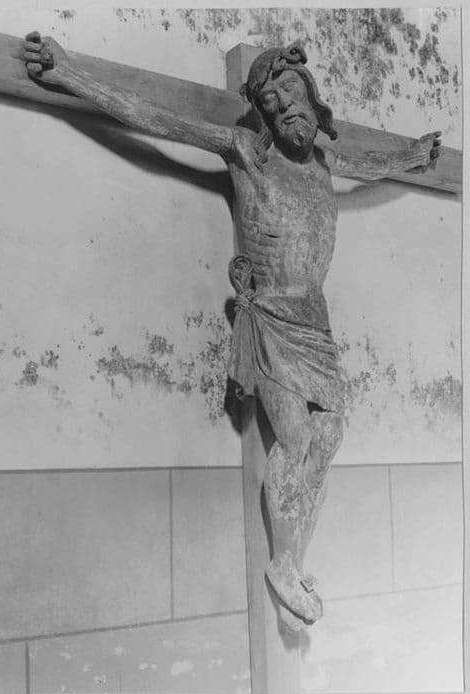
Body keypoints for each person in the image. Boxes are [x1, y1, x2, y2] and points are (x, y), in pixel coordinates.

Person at [23, 33, 441, 629]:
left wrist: (414, 157)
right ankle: (282, 564)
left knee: (330, 436)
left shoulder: (325, 163)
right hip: (271, 318)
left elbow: (371, 166)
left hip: (316, 322)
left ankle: (296, 559)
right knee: (295, 436)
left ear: (311, 94)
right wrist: (70, 76)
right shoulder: (247, 151)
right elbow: (158, 120)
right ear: (262, 116)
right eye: (270, 101)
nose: (283, 106)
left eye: (290, 91)